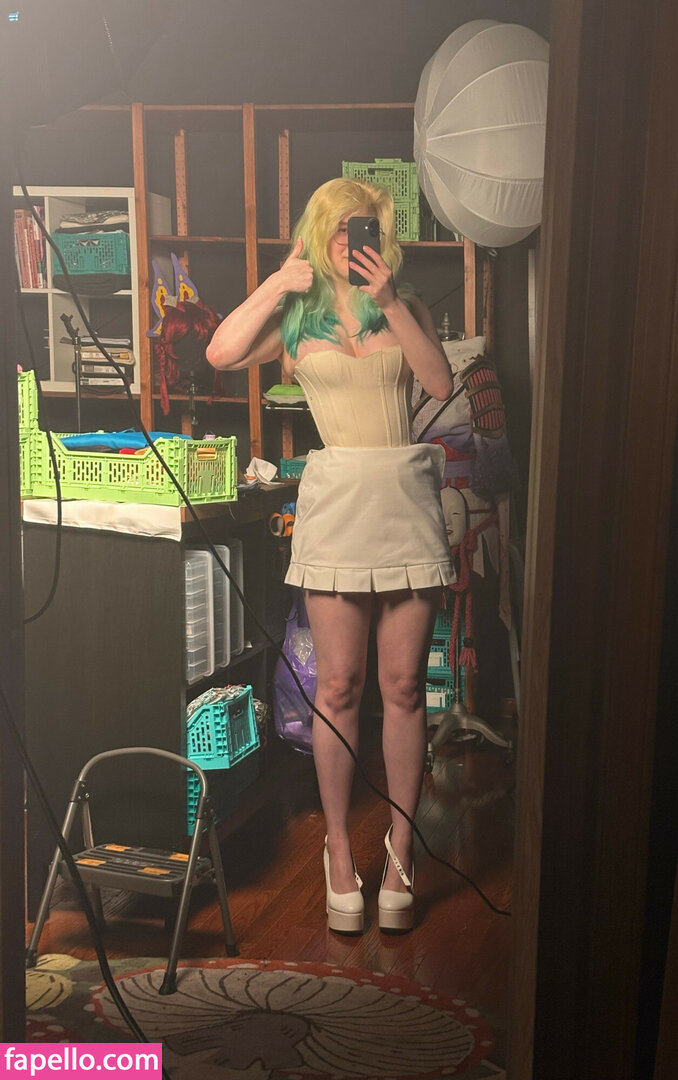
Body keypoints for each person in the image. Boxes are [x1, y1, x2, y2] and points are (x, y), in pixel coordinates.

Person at [206, 178, 455, 933]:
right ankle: (339, 854)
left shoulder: (403, 303)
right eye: (344, 228)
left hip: (406, 503)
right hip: (337, 504)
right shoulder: (296, 316)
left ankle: (402, 849)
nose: (356, 239)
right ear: (320, 232)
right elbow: (220, 352)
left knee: (403, 687)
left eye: (369, 226)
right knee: (339, 686)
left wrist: (391, 302)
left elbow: (439, 382)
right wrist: (278, 282)